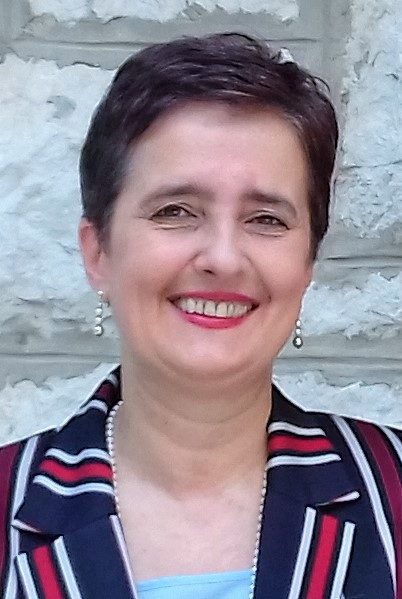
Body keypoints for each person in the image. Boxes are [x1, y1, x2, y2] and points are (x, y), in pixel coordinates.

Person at [1, 33, 401, 599]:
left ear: (307, 262)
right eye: (175, 211)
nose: (223, 258)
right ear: (98, 253)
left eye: (266, 219)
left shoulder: (394, 491)